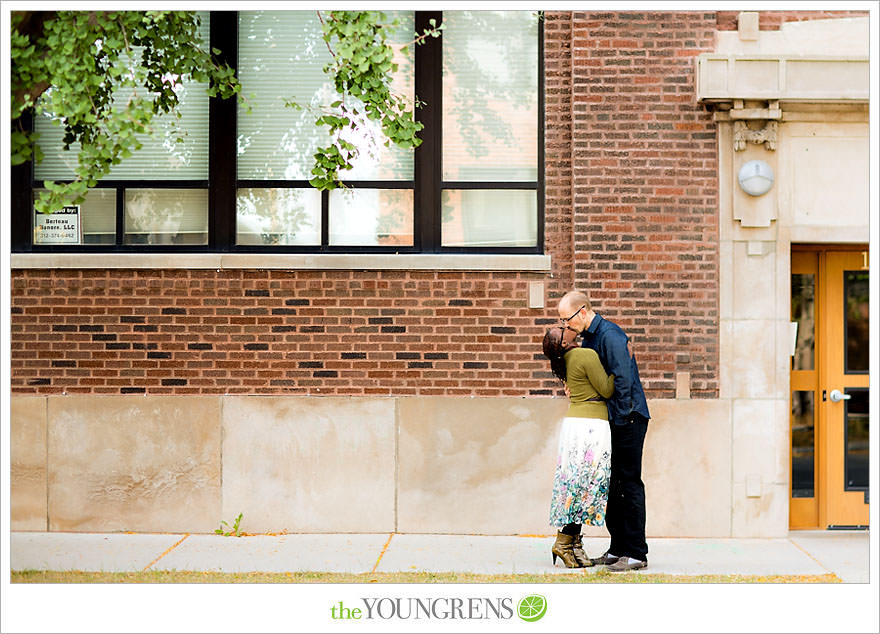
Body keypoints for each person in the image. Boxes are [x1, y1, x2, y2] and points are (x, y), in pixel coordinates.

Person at [557, 290, 651, 572]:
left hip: (629, 418)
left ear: (583, 312)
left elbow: (622, 382)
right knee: (613, 485)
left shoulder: (611, 335)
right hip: (613, 420)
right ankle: (618, 548)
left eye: (567, 319)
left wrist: (619, 422)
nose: (566, 326)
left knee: (630, 483)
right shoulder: (591, 338)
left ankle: (636, 553)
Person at [542, 325, 615, 568]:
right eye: (562, 330)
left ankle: (572, 543)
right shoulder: (586, 355)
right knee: (586, 484)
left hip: (576, 424)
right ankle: (564, 542)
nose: (568, 328)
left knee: (576, 484)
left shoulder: (570, 359)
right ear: (563, 343)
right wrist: (619, 369)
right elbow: (606, 389)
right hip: (592, 425)